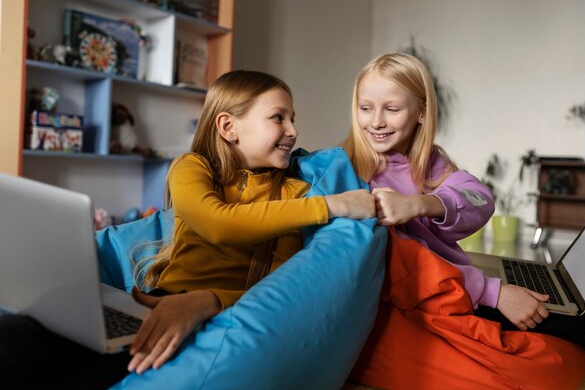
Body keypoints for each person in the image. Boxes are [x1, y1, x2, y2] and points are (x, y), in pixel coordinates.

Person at [0, 70, 376, 390]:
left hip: (212, 321)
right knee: (21, 335)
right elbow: (217, 223)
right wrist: (330, 205)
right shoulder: (193, 168)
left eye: (293, 118)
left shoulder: (294, 193)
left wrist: (206, 301)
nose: (294, 130)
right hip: (151, 302)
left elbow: (281, 288)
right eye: (278, 117)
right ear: (228, 126)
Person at [342, 52, 585, 367]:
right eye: (365, 108)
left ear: (422, 112)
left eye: (391, 109)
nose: (376, 121)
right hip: (452, 295)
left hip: (465, 280)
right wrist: (495, 293)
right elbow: (410, 267)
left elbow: (479, 198)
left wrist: (419, 203)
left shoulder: (430, 161)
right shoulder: (353, 175)